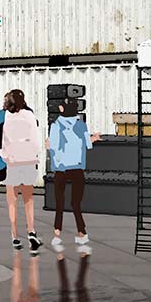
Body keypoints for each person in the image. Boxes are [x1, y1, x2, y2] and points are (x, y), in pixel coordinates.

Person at [0, 89, 44, 253]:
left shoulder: (3, 115)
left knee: (12, 201)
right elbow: (36, 141)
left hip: (12, 162)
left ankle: (15, 237)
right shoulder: (30, 115)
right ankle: (31, 232)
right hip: (29, 161)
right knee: (28, 200)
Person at [47, 98, 101, 255]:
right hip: (77, 169)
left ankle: (57, 233)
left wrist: (52, 155)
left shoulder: (56, 125)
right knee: (76, 203)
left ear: (62, 109)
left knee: (59, 202)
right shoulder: (81, 125)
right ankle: (82, 233)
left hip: (61, 169)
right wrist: (95, 138)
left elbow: (53, 147)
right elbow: (88, 144)